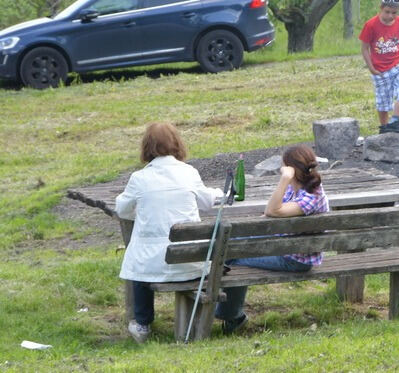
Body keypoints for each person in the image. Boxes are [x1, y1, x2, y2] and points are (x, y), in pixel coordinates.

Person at [116, 122, 222, 344]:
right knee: (147, 257)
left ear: (146, 147)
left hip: (152, 266)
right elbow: (206, 202)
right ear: (177, 144)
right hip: (191, 262)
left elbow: (122, 209)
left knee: (139, 259)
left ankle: (143, 323)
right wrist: (217, 192)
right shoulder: (189, 172)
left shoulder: (139, 178)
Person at [215, 144, 329, 335]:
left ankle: (232, 316)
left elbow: (272, 210)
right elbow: (273, 213)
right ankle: (226, 309)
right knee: (235, 241)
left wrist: (284, 179)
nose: (280, 171)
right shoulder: (302, 188)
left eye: (283, 168)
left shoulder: (311, 196)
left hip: (295, 259)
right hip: (285, 245)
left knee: (233, 257)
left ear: (291, 169)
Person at [359, 0, 399, 134]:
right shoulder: (371, 25)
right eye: (387, 12)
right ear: (381, 8)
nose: (391, 16)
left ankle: (395, 120)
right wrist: (371, 68)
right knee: (383, 102)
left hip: (397, 66)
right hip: (379, 69)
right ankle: (385, 128)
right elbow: (365, 48)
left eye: (394, 13)